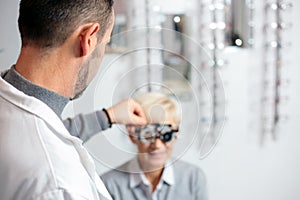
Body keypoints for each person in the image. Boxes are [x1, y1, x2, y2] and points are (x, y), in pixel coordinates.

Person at [0, 0, 147, 200]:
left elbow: (45, 126)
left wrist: (108, 117)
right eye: (106, 43)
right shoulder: (60, 185)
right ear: (88, 39)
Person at [101, 92, 208, 200]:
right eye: (148, 134)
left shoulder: (193, 178)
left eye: (166, 134)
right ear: (132, 136)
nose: (157, 145)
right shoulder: (109, 186)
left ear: (176, 135)